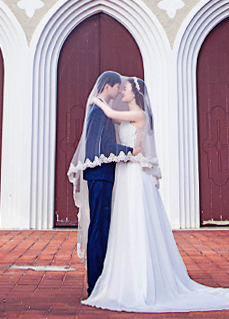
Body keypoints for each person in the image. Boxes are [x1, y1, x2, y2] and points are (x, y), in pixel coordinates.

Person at [83, 77, 229, 313]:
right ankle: (121, 274)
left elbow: (113, 117)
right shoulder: (127, 116)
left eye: (125, 88)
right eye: (120, 87)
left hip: (133, 173)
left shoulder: (138, 115)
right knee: (124, 223)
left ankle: (141, 280)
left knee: (137, 220)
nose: (121, 91)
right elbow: (111, 125)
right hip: (124, 172)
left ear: (134, 93)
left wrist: (96, 100)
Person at [67, 72, 133, 296]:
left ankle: (100, 278)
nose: (119, 91)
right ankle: (94, 283)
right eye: (117, 87)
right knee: (98, 227)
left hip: (102, 174)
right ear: (107, 86)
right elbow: (103, 147)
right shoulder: (98, 111)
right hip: (100, 174)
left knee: (101, 226)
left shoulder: (101, 109)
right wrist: (130, 152)